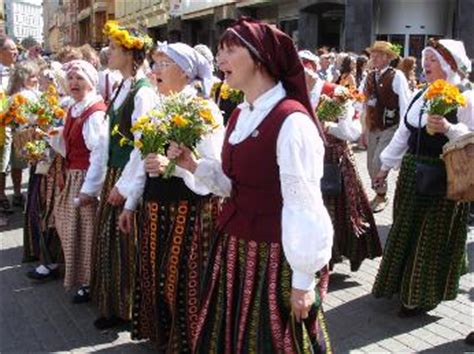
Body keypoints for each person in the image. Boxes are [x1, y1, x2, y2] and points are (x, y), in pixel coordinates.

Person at [168, 18, 333, 353]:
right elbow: (236, 186)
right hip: (234, 248)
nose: (220, 60)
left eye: (230, 50)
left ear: (259, 58)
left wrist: (303, 281)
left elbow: (305, 205)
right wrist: (194, 166)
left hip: (274, 257)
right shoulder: (241, 115)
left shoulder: (292, 122)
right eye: (219, 51)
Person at [118, 41, 224, 352]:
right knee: (156, 275)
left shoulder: (204, 110)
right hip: (155, 207)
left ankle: (189, 343)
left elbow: (215, 172)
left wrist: (175, 169)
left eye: (163, 64)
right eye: (155, 63)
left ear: (185, 71)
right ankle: (166, 338)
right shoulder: (158, 107)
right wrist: (130, 202)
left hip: (188, 210)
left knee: (183, 280)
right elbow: (141, 159)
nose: (154, 70)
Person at [372, 39, 473, 316]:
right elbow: (403, 135)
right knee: (407, 232)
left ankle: (420, 296)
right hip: (411, 175)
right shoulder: (420, 95)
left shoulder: (465, 96)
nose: (426, 64)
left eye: (432, 60)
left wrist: (449, 128)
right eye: (425, 59)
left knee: (430, 237)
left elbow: (471, 139)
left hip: (443, 177)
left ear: (448, 65)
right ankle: (402, 286)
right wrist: (383, 169)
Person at [91, 22, 157, 329]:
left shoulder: (143, 93)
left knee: (122, 243)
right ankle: (114, 305)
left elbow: (142, 148)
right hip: (114, 172)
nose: (109, 53)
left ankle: (125, 308)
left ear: (131, 53)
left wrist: (126, 188)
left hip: (126, 175)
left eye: (115, 48)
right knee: (111, 242)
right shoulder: (122, 85)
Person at [300, 50, 382, 273]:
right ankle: (320, 256)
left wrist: (330, 127)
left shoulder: (336, 92)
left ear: (314, 69)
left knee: (340, 208)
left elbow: (353, 132)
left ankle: (340, 254)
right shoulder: (293, 93)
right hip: (306, 159)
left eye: (306, 69)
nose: (302, 75)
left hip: (334, 157)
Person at [37, 60, 108, 303]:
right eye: (71, 79)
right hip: (73, 175)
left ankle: (90, 283)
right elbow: (70, 146)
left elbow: (99, 153)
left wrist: (90, 189)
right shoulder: (76, 108)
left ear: (91, 82)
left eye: (80, 78)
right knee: (71, 228)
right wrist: (50, 137)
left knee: (86, 232)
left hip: (85, 177)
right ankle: (83, 278)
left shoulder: (94, 112)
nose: (74, 83)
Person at [363, 41, 411, 212]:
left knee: (379, 161)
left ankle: (382, 195)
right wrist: (364, 128)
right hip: (373, 126)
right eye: (372, 54)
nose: (373, 57)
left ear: (387, 57)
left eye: (378, 54)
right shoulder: (369, 76)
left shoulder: (396, 76)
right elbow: (364, 103)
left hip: (391, 126)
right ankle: (379, 193)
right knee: (369, 164)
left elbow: (405, 103)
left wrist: (404, 130)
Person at [0, 35, 19, 216]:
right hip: (2, 124)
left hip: (12, 123)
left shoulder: (14, 71)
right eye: (11, 49)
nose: (16, 52)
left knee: (8, 162)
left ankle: (8, 195)